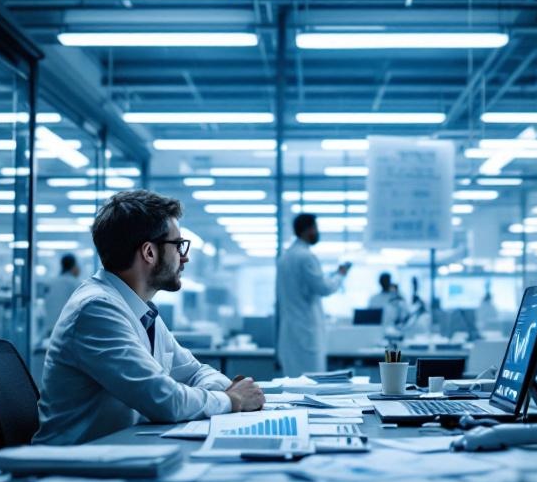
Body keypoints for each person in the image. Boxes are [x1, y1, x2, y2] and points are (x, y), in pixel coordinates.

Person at [34, 190, 265, 445]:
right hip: (72, 468)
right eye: (178, 246)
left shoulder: (140, 310)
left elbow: (194, 372)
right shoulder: (97, 309)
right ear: (149, 252)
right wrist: (233, 400)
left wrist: (224, 393)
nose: (184, 256)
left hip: (118, 452)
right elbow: (166, 401)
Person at [276, 213, 350, 378]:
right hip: (306, 334)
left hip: (289, 334)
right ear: (306, 230)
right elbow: (324, 288)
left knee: (291, 386)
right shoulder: (306, 256)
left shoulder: (285, 258)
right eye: (315, 228)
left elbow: (306, 285)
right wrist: (340, 275)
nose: (317, 232)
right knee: (312, 385)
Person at [41, 253, 82, 342]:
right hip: (67, 330)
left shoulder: (51, 282)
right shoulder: (75, 283)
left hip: (50, 328)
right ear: (74, 266)